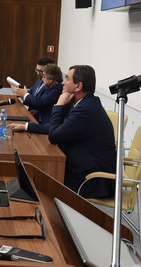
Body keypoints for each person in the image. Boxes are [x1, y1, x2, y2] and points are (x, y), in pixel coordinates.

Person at [47, 65, 116, 198]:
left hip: (92, 180)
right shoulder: (87, 103)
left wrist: (59, 105)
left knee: (47, 176)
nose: (62, 82)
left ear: (78, 86)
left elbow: (54, 135)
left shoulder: (85, 110)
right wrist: (28, 126)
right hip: (86, 166)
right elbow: (60, 128)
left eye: (67, 79)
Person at [9, 63, 62, 134]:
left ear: (51, 79)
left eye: (44, 76)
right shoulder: (50, 87)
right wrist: (38, 111)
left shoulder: (57, 89)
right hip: (42, 121)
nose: (42, 78)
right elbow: (45, 103)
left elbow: (41, 102)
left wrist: (25, 94)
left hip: (47, 127)